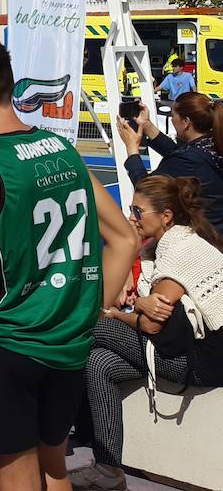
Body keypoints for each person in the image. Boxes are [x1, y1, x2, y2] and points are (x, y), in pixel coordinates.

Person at [0, 41, 136, 491]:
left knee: (17, 476)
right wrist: (90, 311)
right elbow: (125, 238)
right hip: (68, 344)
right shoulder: (62, 148)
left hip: (11, 341)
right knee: (53, 467)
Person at [71, 175, 223, 490]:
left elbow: (153, 324)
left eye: (137, 211)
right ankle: (108, 469)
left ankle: (50, 427)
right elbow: (151, 314)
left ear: (165, 216)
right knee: (99, 363)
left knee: (88, 325)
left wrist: (119, 312)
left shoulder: (180, 250)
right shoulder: (166, 245)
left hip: (201, 362)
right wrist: (139, 304)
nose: (131, 217)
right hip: (187, 350)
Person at [119, 91, 223, 231]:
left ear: (186, 122)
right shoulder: (211, 145)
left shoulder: (188, 159)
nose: (172, 120)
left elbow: (146, 188)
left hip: (207, 236)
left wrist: (132, 149)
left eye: (173, 116)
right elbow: (178, 152)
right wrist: (147, 125)